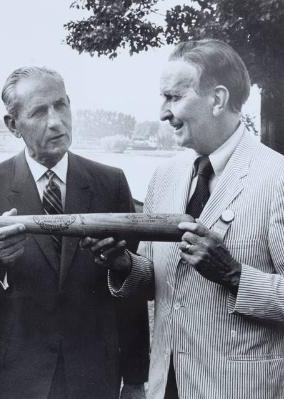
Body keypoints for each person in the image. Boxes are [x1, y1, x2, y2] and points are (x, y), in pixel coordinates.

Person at [98, 39, 284, 399]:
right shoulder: (165, 176)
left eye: (174, 97)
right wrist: (122, 264)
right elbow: (156, 280)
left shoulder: (277, 178)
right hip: (166, 387)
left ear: (217, 99)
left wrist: (233, 274)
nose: (163, 113)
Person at [0, 66, 150, 399]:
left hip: (92, 378)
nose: (56, 121)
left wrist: (134, 379)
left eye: (61, 105)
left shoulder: (110, 183)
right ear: (12, 125)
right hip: (8, 380)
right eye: (39, 112)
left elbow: (128, 292)